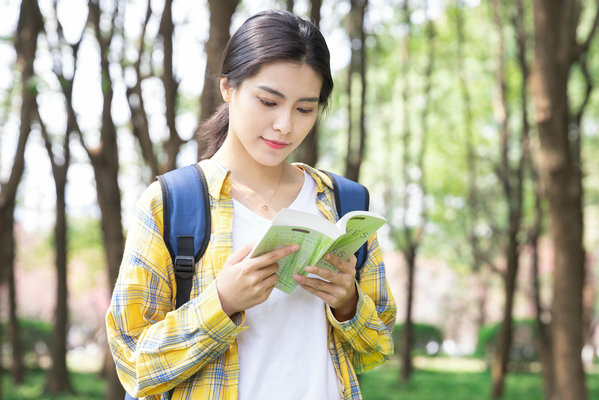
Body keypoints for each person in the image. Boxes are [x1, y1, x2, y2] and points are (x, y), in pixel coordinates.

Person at [106, 9, 396, 400]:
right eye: (268, 101)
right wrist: (222, 303)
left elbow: (378, 347)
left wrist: (347, 304)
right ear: (228, 87)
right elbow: (133, 363)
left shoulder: (342, 203)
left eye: (304, 108)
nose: (285, 125)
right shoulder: (171, 203)